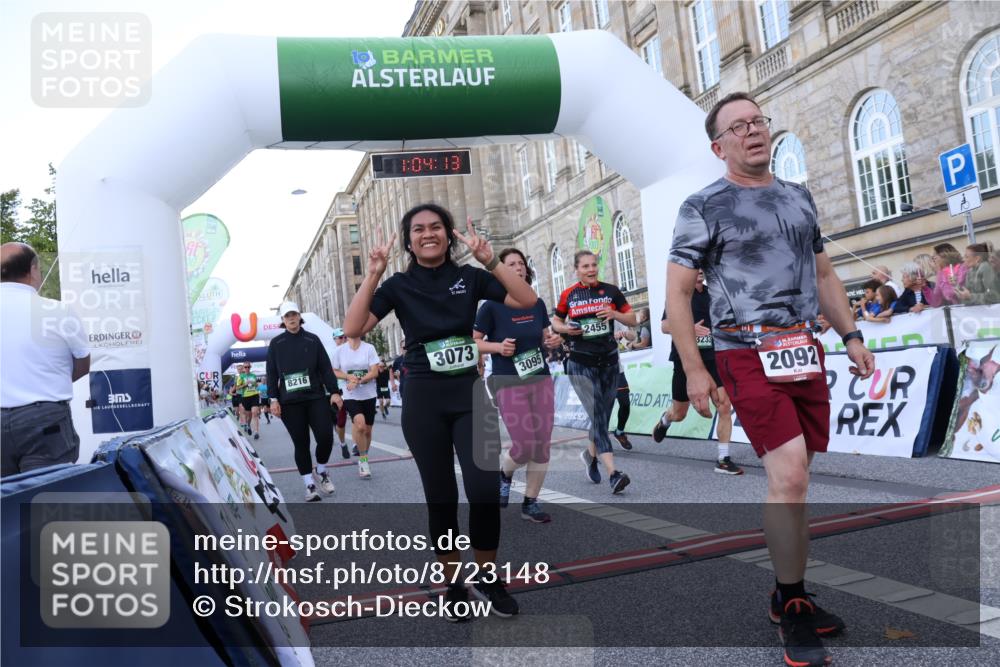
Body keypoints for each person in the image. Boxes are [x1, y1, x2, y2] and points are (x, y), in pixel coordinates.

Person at [668, 92, 875, 667]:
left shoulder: (797, 197)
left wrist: (851, 335)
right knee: (786, 477)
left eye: (758, 120)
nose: (754, 131)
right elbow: (679, 292)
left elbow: (824, 272)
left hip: (803, 350)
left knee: (799, 475)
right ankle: (792, 606)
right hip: (745, 351)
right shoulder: (703, 204)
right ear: (720, 146)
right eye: (739, 126)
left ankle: (790, 591)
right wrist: (693, 370)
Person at [343, 203, 538, 620]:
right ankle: (453, 584)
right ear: (409, 241)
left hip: (469, 392)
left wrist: (490, 259)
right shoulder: (397, 284)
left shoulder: (469, 277)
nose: (427, 234)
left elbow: (526, 301)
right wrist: (373, 272)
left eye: (436, 227)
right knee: (441, 497)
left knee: (484, 491)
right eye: (418, 229)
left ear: (449, 235)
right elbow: (354, 328)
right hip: (424, 397)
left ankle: (488, 576)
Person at [473, 247, 563, 524]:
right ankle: (505, 474)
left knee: (542, 445)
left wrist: (552, 342)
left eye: (521, 263)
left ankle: (530, 503)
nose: (518, 267)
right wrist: (498, 347)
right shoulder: (490, 306)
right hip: (507, 380)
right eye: (510, 264)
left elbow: (546, 337)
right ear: (500, 270)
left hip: (539, 377)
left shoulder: (535, 303)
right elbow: (473, 341)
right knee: (524, 444)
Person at [551, 250, 637, 494]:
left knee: (602, 416)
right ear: (576, 269)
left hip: (608, 362)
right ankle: (614, 473)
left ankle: (590, 457)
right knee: (598, 414)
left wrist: (615, 314)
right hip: (580, 363)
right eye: (585, 266)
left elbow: (632, 319)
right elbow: (555, 322)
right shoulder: (569, 294)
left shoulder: (611, 291)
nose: (591, 269)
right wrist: (566, 328)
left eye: (594, 265)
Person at [1, 242, 90, 476]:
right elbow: (82, 363)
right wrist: (49, 382)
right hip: (45, 421)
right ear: (32, 269)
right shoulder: (58, 311)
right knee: (46, 502)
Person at [652, 271, 743, 475]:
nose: (700, 271)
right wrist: (688, 328)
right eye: (696, 268)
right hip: (685, 360)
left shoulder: (715, 294)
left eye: (703, 267)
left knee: (724, 405)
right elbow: (664, 326)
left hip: (712, 358)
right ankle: (666, 420)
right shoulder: (679, 295)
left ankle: (723, 458)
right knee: (680, 414)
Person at [266, 302, 343, 502]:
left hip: (315, 397)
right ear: (283, 320)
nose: (291, 318)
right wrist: (273, 399)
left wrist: (334, 391)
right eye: (287, 316)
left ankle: (322, 470)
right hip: (290, 402)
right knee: (301, 443)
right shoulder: (276, 344)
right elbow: (271, 373)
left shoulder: (313, 339)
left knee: (326, 437)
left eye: (294, 314)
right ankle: (309, 485)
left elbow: (326, 368)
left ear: (300, 316)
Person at [331, 334, 381, 479]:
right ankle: (363, 461)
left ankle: (363, 453)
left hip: (369, 393)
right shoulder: (339, 351)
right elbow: (334, 370)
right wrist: (348, 377)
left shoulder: (369, 348)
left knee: (368, 431)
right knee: (360, 425)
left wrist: (359, 380)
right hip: (350, 393)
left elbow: (374, 371)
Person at [331, 328, 353, 458]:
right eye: (340, 338)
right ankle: (343, 443)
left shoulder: (353, 350)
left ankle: (357, 444)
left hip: (354, 389)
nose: (343, 339)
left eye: (345, 337)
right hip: (339, 390)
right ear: (335, 340)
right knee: (341, 422)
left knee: (358, 419)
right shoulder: (332, 353)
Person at [928, 242, 967, 306]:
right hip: (955, 312)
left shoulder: (962, 268)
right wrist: (938, 272)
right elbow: (935, 302)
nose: (934, 260)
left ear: (944, 255)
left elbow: (951, 294)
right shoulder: (942, 273)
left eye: (935, 256)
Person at [235, 362, 263, 439]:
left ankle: (256, 432)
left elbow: (256, 385)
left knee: (254, 413)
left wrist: (256, 385)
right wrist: (245, 384)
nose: (247, 368)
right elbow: (237, 388)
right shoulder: (240, 377)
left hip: (254, 395)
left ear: (250, 367)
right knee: (249, 415)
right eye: (245, 367)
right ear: (243, 368)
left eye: (248, 367)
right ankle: (248, 425)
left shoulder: (253, 375)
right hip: (245, 397)